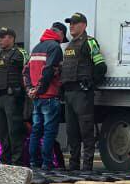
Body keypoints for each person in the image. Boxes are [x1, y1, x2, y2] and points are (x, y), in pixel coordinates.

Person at [59, 12, 106, 170]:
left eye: (74, 23)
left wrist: (91, 83)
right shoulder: (70, 45)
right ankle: (73, 166)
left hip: (82, 94)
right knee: (72, 132)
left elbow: (100, 66)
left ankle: (87, 167)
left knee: (86, 131)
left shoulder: (90, 42)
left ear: (84, 25)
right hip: (69, 94)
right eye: (70, 23)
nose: (71, 26)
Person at [25, 22, 65, 168]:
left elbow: (26, 71)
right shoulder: (55, 47)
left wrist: (31, 89)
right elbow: (48, 71)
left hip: (37, 98)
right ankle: (47, 163)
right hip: (48, 96)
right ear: (59, 33)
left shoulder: (36, 47)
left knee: (36, 131)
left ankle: (33, 162)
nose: (62, 41)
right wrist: (40, 90)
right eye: (62, 37)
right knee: (49, 132)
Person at [0, 26, 27, 166]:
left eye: (3, 37)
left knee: (14, 131)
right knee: (1, 132)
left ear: (11, 38)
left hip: (13, 97)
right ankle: (5, 160)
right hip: (0, 98)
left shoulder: (19, 53)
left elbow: (27, 71)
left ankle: (17, 161)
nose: (0, 40)